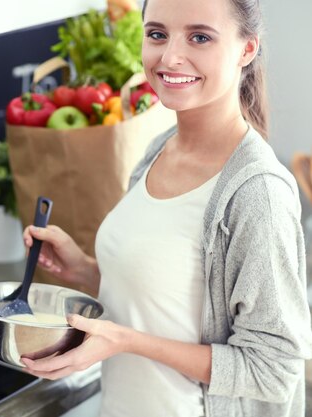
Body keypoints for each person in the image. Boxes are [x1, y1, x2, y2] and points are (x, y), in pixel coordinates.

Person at [20, 0, 312, 416]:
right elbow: (172, 303)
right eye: (157, 34)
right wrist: (84, 269)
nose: (170, 56)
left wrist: (126, 341)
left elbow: (274, 368)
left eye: (199, 37)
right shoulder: (160, 149)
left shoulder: (257, 193)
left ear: (247, 49)